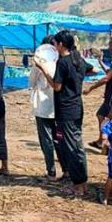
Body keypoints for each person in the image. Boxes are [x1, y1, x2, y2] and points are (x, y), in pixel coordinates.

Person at [33, 30, 92, 196]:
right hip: (77, 106)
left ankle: (78, 185)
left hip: (66, 109)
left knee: (72, 147)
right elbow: (91, 70)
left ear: (60, 45)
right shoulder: (78, 60)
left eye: (55, 44)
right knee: (77, 145)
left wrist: (43, 69)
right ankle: (82, 182)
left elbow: (57, 87)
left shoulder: (63, 62)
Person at [30, 36, 67, 180]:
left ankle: (51, 171)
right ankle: (66, 170)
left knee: (46, 140)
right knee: (59, 139)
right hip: (59, 107)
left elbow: (31, 82)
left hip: (43, 108)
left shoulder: (40, 66)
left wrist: (38, 68)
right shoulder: (62, 63)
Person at [84, 35, 112, 149]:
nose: (109, 48)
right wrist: (100, 61)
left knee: (106, 117)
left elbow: (107, 77)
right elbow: (109, 71)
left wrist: (91, 88)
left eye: (110, 45)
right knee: (101, 115)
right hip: (110, 95)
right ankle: (101, 140)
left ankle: (106, 141)